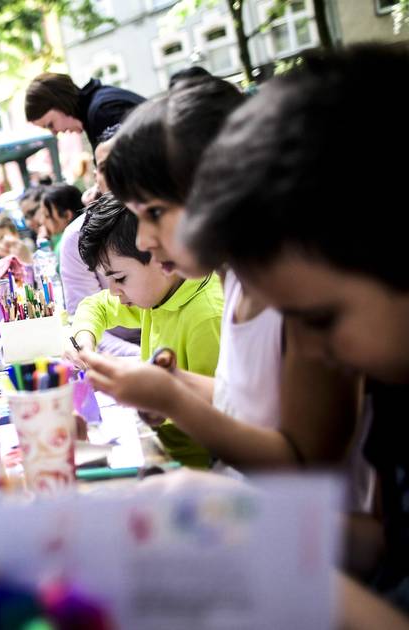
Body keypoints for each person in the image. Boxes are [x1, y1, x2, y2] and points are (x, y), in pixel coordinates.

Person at [175, 45, 409, 620]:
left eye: (321, 318)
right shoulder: (393, 387)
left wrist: (271, 550)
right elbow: (385, 546)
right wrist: (245, 521)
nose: (309, 349)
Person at [81, 76, 363, 483]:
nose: (142, 240)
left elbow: (303, 468)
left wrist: (173, 399)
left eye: (154, 213)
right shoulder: (237, 282)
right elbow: (244, 403)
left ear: (219, 192)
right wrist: (175, 382)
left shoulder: (299, 304)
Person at [68, 195, 223, 469]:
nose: (115, 291)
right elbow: (96, 306)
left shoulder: (206, 316)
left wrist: (153, 397)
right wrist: (85, 342)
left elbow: (220, 415)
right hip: (161, 449)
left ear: (158, 255)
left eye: (120, 278)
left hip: (199, 467)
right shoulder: (159, 294)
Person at [59, 129, 141, 358]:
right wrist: (146, 359)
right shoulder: (77, 236)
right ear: (96, 177)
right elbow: (93, 308)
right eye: (107, 168)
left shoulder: (171, 224)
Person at [25, 72, 145, 149]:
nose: (55, 132)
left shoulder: (102, 111)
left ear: (61, 104)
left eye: (50, 124)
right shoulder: (98, 105)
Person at [38, 183, 84, 275]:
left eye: (47, 215)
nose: (42, 221)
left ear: (67, 215)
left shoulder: (66, 244)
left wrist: (44, 246)